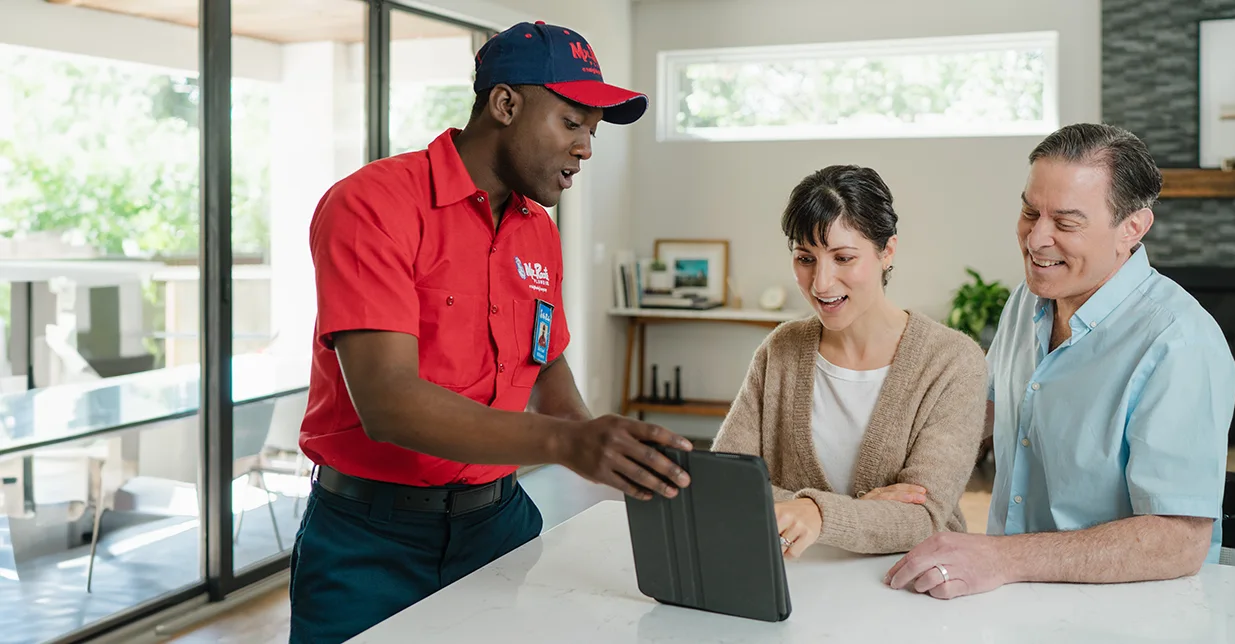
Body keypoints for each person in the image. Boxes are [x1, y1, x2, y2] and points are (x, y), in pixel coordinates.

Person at [288, 21, 694, 642]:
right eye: (571, 122)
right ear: (505, 104)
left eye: (593, 130)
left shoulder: (538, 228)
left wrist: (603, 443)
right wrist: (567, 446)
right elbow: (388, 403)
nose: (586, 147)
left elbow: (546, 362)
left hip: (499, 527)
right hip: (368, 541)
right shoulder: (372, 205)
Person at [886, 123, 1235, 600]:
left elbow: (1179, 542)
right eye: (1030, 212)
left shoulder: (1180, 342)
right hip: (1009, 595)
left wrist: (1002, 557)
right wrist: (898, 482)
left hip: (1131, 613)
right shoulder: (1025, 302)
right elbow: (978, 417)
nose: (1036, 240)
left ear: (1131, 228)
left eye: (1066, 223)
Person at [711, 164, 988, 558]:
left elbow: (925, 519)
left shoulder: (952, 362)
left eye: (843, 258)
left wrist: (816, 513)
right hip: (798, 579)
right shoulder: (781, 350)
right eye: (805, 258)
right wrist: (865, 512)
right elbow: (725, 483)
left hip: (907, 586)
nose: (821, 282)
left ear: (886, 251)